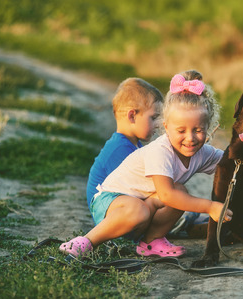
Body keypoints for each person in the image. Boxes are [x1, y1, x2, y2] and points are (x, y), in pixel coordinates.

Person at [60, 70, 233, 258]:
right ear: (166, 127)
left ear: (207, 128)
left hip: (139, 207)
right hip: (110, 202)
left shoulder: (202, 153)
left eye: (198, 130)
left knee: (180, 192)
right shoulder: (160, 151)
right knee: (161, 199)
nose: (190, 138)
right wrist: (209, 207)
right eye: (181, 130)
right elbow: (166, 195)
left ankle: (151, 242)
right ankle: (86, 242)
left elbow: (231, 163)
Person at [85, 78, 163, 221]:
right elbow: (142, 188)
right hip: (112, 216)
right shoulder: (120, 149)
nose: (158, 124)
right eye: (153, 118)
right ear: (132, 116)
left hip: (126, 208)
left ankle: (184, 220)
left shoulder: (134, 145)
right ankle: (179, 222)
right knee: (164, 194)